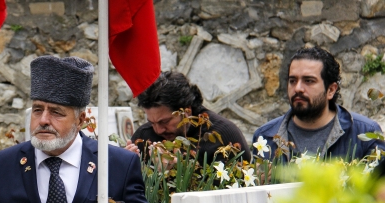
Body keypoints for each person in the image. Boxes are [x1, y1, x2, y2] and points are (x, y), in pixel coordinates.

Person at [0, 55, 165, 203]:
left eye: (56, 112)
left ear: (80, 120)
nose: (44, 120)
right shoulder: (0, 166)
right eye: (38, 110)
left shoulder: (118, 164)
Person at [253, 46, 385, 161]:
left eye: (309, 81)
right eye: (292, 80)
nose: (298, 88)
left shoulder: (365, 133)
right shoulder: (265, 137)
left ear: (331, 90)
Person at [126, 71, 252, 164]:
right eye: (152, 123)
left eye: (165, 121)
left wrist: (177, 172)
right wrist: (126, 166)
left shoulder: (223, 134)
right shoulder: (144, 136)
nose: (158, 130)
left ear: (187, 110)